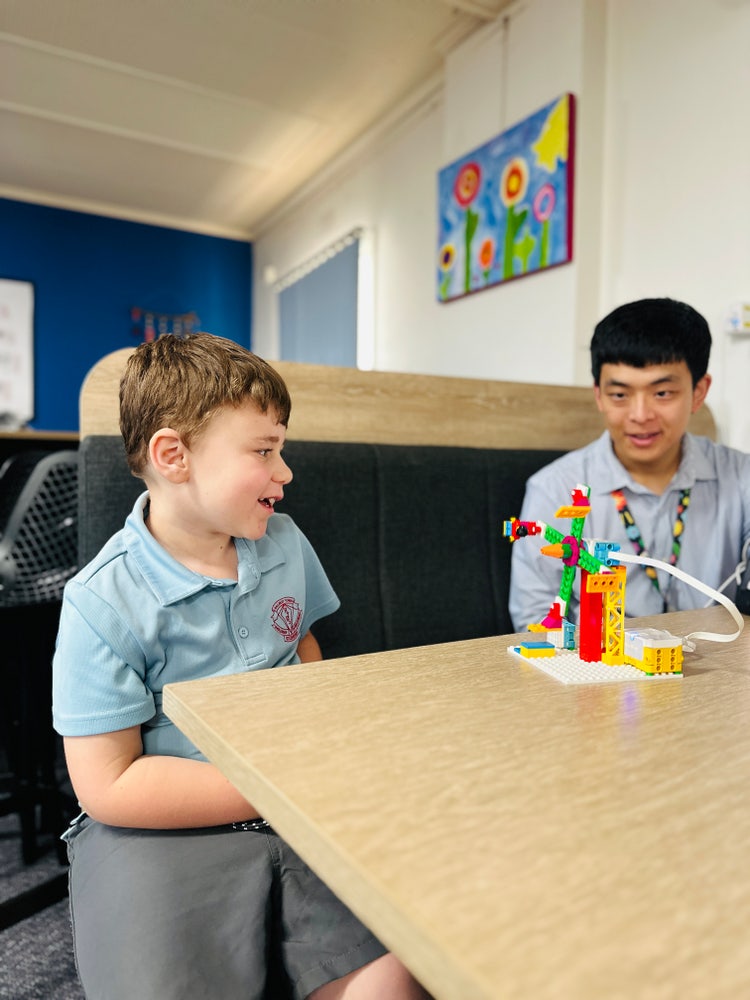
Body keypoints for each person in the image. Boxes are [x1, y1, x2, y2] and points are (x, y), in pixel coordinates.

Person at [52, 333, 430, 1000]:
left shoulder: (282, 543)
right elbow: (108, 784)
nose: (285, 472)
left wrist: (326, 753)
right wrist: (279, 787)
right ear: (174, 456)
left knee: (397, 971)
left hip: (301, 800)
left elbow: (302, 647)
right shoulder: (100, 600)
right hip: (158, 825)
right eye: (264, 451)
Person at [509, 297, 750, 631]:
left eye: (662, 393)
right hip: (598, 673)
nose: (640, 416)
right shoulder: (555, 490)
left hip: (720, 673)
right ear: (598, 395)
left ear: (698, 392)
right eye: (620, 395)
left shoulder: (742, 479)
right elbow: (535, 620)